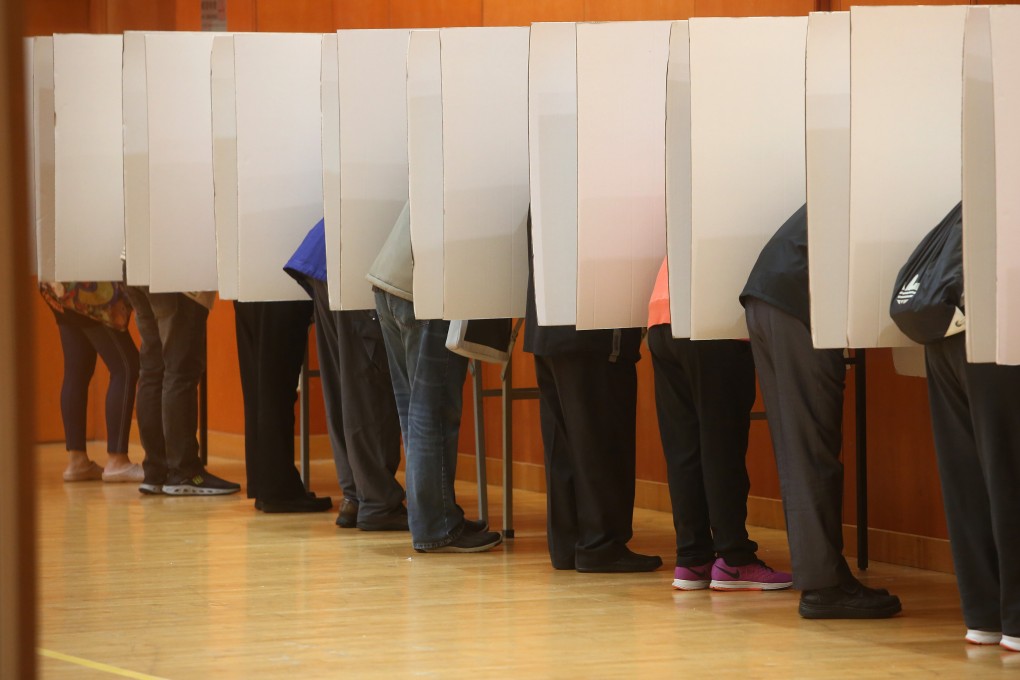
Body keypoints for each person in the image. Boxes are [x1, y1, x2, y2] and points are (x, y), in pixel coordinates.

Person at [740, 204, 901, 618]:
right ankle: (824, 586)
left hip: (772, 295)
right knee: (811, 451)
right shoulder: (902, 174)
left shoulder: (870, 164)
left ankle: (822, 580)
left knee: (801, 450)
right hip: (796, 301)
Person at [523, 216, 660, 573]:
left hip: (547, 326)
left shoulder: (548, 178)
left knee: (563, 445)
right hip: (595, 328)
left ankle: (568, 545)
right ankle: (601, 544)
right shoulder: (601, 184)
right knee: (600, 439)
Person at [646, 258, 792, 591]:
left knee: (684, 446)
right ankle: (734, 559)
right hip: (714, 313)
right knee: (721, 443)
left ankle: (692, 558)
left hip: (662, 312)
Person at [367, 202, 501, 553]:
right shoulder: (487, 167)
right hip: (428, 288)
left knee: (413, 412)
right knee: (433, 414)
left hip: (390, 279)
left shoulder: (458, 157)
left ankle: (431, 519)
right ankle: (436, 526)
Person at [284, 219, 405, 528]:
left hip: (327, 251)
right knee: (367, 383)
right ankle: (377, 501)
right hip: (356, 251)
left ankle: (355, 495)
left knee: (343, 381)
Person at [122, 284, 240, 496]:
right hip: (178, 273)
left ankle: (156, 470)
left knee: (152, 371)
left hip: (134, 262)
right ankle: (184, 471)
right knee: (179, 372)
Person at [234, 292, 331, 514]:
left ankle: (265, 483)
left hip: (247, 278)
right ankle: (278, 488)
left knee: (257, 385)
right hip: (282, 285)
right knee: (275, 385)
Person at [41, 281, 142, 483]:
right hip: (91, 285)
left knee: (77, 369)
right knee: (126, 367)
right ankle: (117, 460)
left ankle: (77, 461)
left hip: (56, 283)